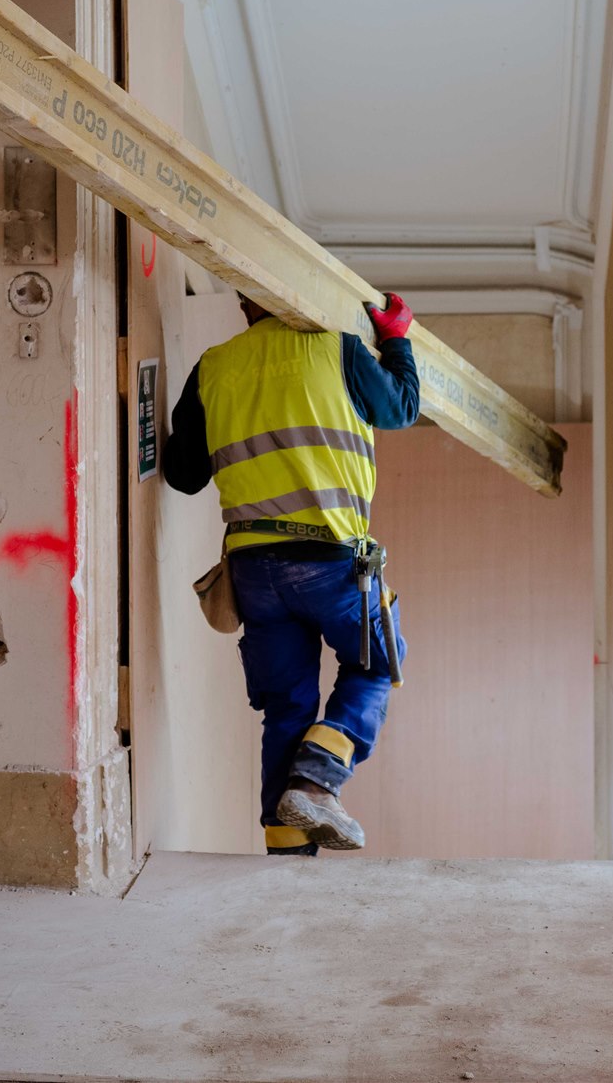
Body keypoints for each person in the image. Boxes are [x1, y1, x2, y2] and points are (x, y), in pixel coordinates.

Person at [162, 290, 420, 855]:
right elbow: (401, 407)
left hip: (254, 571)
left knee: (286, 706)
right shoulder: (338, 349)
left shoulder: (214, 366)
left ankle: (287, 854)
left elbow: (183, 475)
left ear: (243, 302)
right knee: (376, 664)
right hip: (330, 560)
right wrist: (397, 340)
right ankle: (317, 780)